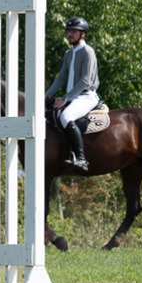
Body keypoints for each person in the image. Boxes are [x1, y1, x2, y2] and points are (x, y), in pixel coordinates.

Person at [45, 17, 100, 172]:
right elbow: (61, 78)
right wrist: (46, 95)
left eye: (73, 31)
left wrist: (64, 98)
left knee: (65, 116)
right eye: (68, 31)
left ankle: (81, 159)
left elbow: (85, 81)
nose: (70, 34)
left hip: (86, 96)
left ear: (82, 34)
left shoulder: (88, 52)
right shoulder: (68, 54)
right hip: (73, 96)